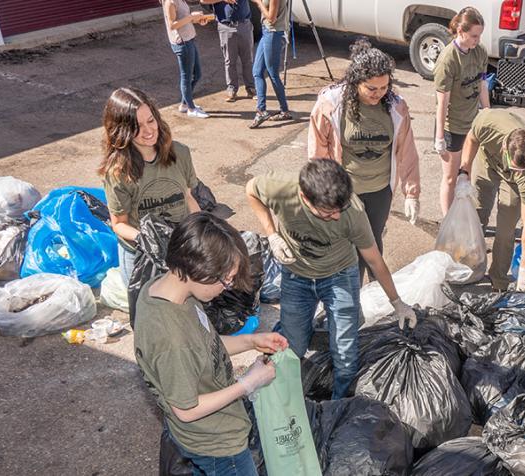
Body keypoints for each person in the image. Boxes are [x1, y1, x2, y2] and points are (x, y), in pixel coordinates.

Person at [244, 159, 417, 399]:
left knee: (345, 353)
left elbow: (375, 260)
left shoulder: (352, 212)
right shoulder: (280, 188)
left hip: (339, 277)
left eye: (339, 209)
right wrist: (272, 234)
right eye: (327, 212)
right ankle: (287, 399)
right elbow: (251, 190)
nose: (336, 216)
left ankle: (336, 408)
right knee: (293, 346)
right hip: (296, 276)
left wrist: (397, 302)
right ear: (304, 197)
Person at [134, 212, 290, 476]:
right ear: (198, 269)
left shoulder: (166, 290)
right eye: (225, 280)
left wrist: (251, 340)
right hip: (216, 445)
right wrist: (249, 382)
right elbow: (186, 409)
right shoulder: (172, 338)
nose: (227, 287)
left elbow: (204, 344)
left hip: (207, 436)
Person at [308, 39, 421, 278]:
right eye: (371, 88)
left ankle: (374, 300)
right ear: (355, 81)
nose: (378, 94)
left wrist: (412, 193)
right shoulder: (331, 105)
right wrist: (322, 194)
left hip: (380, 190)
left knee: (372, 244)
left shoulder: (396, 107)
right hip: (346, 191)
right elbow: (317, 154)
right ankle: (351, 300)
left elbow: (407, 151)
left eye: (384, 88)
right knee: (347, 248)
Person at [98, 87, 201, 282]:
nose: (148, 131)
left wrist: (201, 230)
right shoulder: (117, 172)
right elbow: (119, 223)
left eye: (151, 120)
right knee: (144, 310)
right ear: (122, 131)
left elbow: (188, 197)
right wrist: (145, 240)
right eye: (137, 126)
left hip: (180, 250)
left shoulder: (180, 153)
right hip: (139, 256)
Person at [459, 109, 525, 292]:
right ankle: (470, 266)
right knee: (477, 214)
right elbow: (472, 139)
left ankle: (499, 281)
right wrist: (463, 172)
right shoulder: (488, 124)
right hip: (488, 161)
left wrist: (524, 269)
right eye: (515, 167)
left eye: (523, 169)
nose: (519, 171)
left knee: (506, 229)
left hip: (515, 183)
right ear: (505, 148)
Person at [433, 7, 489, 216]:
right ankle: (448, 220)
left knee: (465, 172)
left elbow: (483, 84)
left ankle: (461, 212)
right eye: (474, 35)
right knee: (450, 177)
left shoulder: (480, 52)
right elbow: (442, 102)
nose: (477, 39)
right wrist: (440, 137)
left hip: (471, 123)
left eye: (479, 35)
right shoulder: (448, 60)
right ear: (461, 31)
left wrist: (487, 113)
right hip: (452, 126)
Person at [161, 0, 212, 118]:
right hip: (182, 43)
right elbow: (172, 25)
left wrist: (198, 19)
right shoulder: (170, 2)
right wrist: (190, 17)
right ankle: (191, 108)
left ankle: (185, 104)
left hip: (190, 39)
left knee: (197, 74)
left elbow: (185, 19)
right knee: (187, 77)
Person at [248, 0, 293, 128]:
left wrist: (258, 2)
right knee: (257, 71)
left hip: (273, 32)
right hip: (268, 31)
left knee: (272, 74)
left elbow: (272, 18)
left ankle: (280, 110)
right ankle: (263, 110)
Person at [209, 0, 256, 102]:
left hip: (244, 24)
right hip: (226, 26)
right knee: (230, 61)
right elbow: (203, 1)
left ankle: (251, 88)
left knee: (248, 60)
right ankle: (232, 89)